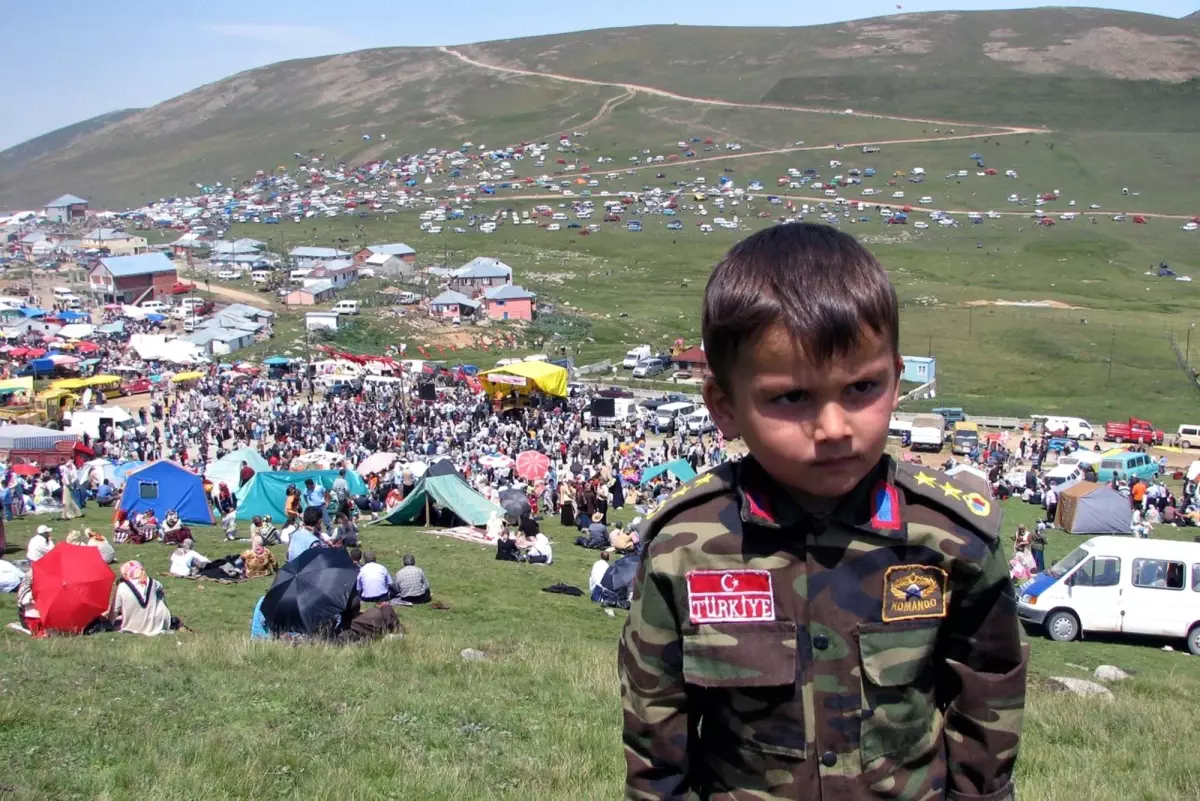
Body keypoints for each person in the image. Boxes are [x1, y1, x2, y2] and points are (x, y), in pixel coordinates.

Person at [618, 223, 1026, 799]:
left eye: (862, 388)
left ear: (897, 378)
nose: (833, 428)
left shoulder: (948, 539)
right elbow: (656, 731)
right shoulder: (686, 545)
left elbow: (989, 694)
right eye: (791, 397)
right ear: (725, 406)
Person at [110, 561, 175, 636]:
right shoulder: (152, 582)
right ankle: (162, 619)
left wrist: (110, 623)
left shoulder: (122, 586)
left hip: (132, 626)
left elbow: (115, 608)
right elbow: (160, 587)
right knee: (159, 593)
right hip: (155, 626)